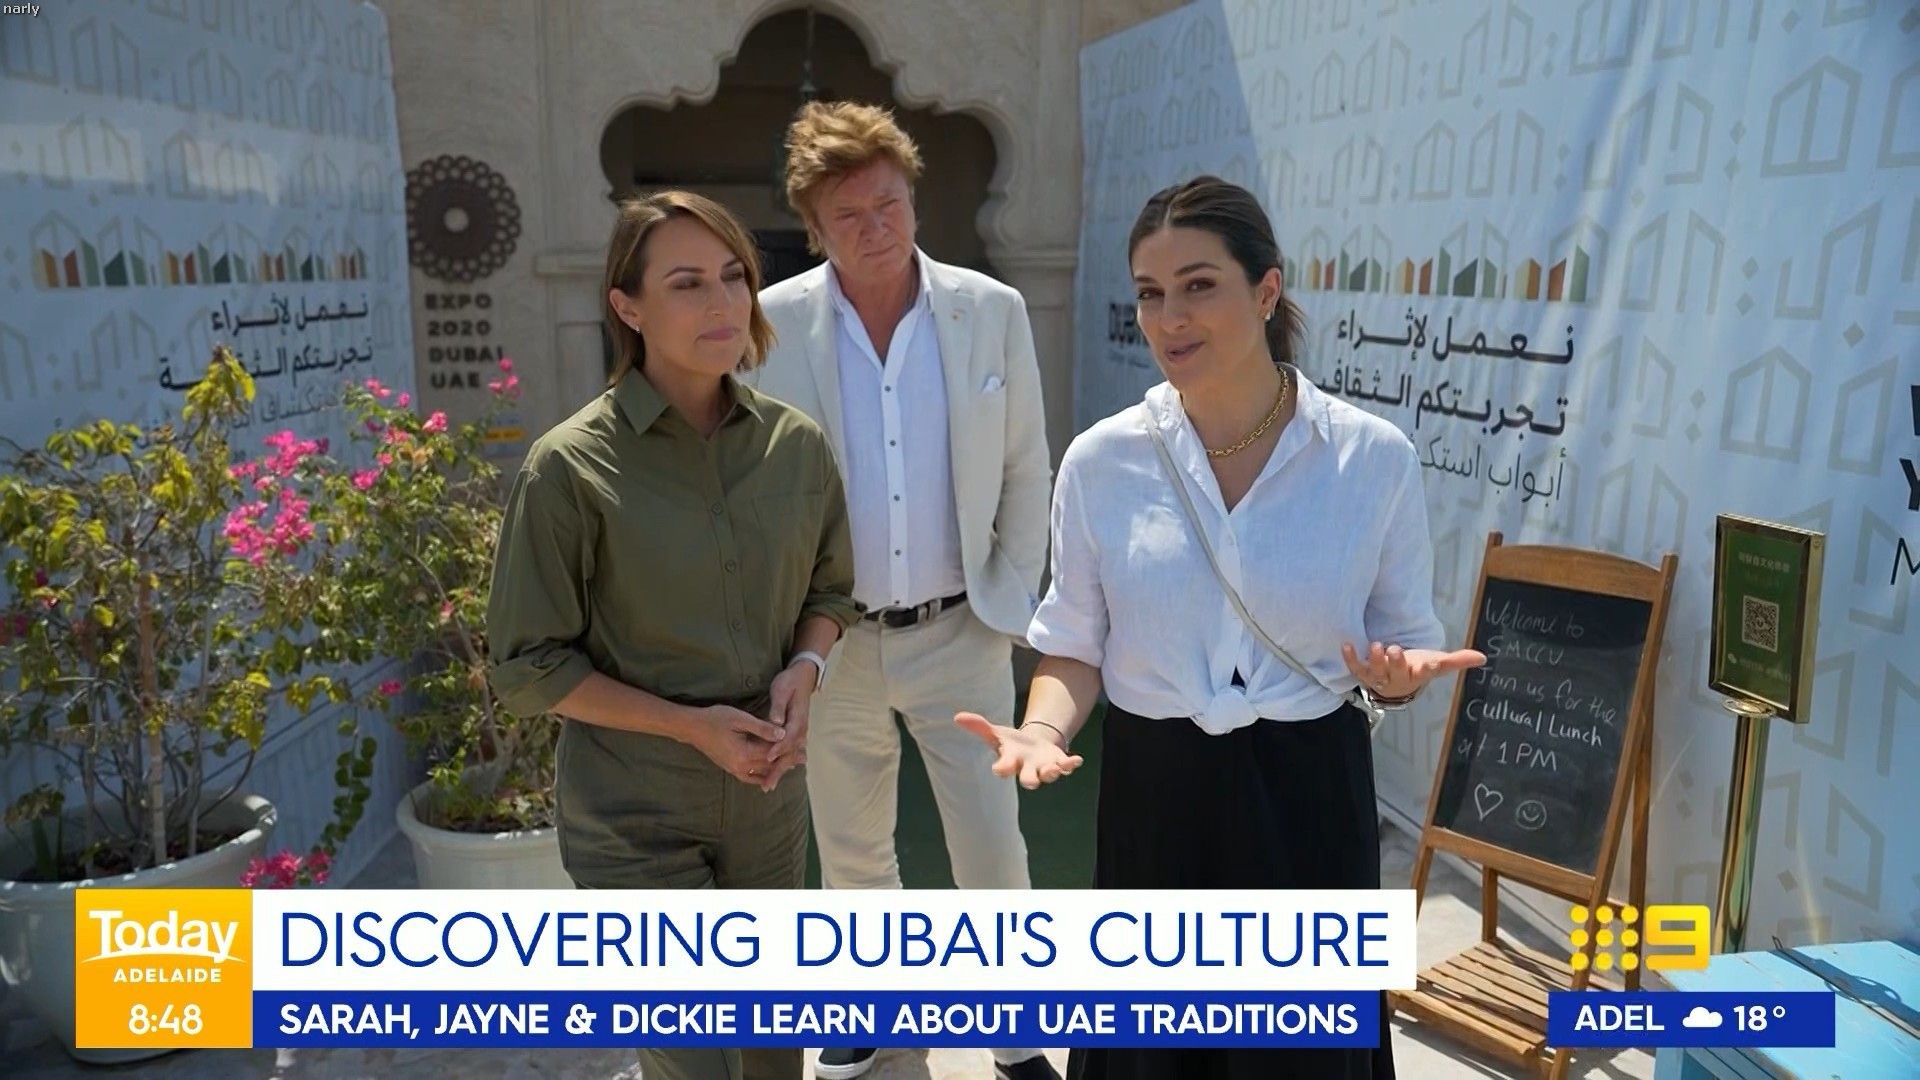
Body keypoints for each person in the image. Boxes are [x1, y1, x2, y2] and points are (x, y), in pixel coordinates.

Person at [956, 176, 1487, 1080]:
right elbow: (1073, 643)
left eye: (1199, 285)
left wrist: (1395, 679)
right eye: (1150, 293)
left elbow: (1401, 639)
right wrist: (1042, 729)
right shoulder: (1101, 461)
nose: (1170, 318)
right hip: (1157, 798)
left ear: (1267, 291)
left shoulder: (1372, 459)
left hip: (1310, 798)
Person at [487, 190, 861, 1080]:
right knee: (692, 1063)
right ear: (628, 307)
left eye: (735, 277)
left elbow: (830, 589)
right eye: (687, 283)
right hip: (633, 814)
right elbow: (527, 666)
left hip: (768, 802)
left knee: (772, 1055)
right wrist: (691, 727)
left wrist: (805, 667)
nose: (723, 303)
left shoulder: (797, 447)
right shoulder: (568, 468)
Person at [752, 100, 1060, 1080]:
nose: (875, 227)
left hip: (960, 629)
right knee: (851, 848)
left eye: (888, 203)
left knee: (991, 846)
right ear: (814, 227)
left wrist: (1009, 597)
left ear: (913, 197)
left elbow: (1027, 467)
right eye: (849, 215)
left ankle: (1017, 1031)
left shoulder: (990, 310)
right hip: (832, 641)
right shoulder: (772, 324)